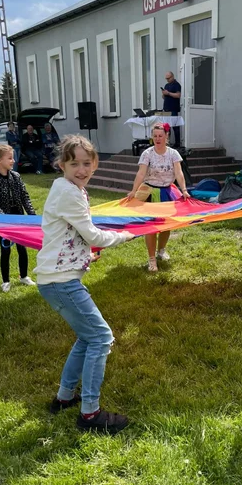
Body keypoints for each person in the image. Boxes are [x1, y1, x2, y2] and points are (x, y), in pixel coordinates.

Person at [35, 135, 135, 434]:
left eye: (87, 163)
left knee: (86, 337)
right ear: (61, 164)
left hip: (58, 278)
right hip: (61, 282)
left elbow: (71, 233)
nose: (81, 169)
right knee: (101, 338)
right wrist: (125, 236)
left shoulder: (69, 188)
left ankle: (64, 398)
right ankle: (89, 414)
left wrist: (83, 256)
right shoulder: (69, 192)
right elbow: (92, 234)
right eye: (74, 163)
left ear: (95, 164)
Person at [126, 123, 190, 272]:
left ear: (167, 136)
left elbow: (179, 173)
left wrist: (184, 190)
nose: (157, 138)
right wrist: (133, 191)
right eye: (155, 136)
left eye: (160, 135)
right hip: (149, 192)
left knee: (166, 225)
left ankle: (161, 250)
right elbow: (141, 173)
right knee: (151, 227)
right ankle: (151, 259)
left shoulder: (173, 154)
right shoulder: (147, 153)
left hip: (167, 193)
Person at [0, 144, 37, 292]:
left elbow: (25, 197)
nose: (13, 160)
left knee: (22, 247)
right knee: (5, 250)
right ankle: (5, 281)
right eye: (10, 158)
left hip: (19, 217)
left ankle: (24, 276)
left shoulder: (16, 176)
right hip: (3, 221)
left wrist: (31, 215)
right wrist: (5, 219)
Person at [162, 71, 182, 148]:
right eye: (166, 78)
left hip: (173, 108)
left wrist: (169, 93)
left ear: (172, 76)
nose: (167, 80)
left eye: (168, 78)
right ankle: (167, 143)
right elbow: (164, 97)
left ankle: (177, 143)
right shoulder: (166, 85)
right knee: (166, 127)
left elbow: (178, 95)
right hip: (166, 108)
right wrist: (164, 94)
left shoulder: (177, 85)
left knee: (175, 126)